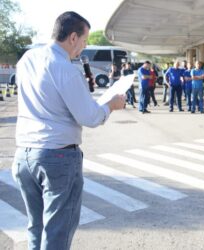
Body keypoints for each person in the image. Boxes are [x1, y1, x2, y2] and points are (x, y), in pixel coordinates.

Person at [12, 11, 125, 250]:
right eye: (83, 41)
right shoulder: (65, 67)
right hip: (57, 156)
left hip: (24, 154)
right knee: (57, 232)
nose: (82, 48)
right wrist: (111, 105)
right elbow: (89, 116)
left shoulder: (27, 59)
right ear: (73, 37)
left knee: (36, 225)